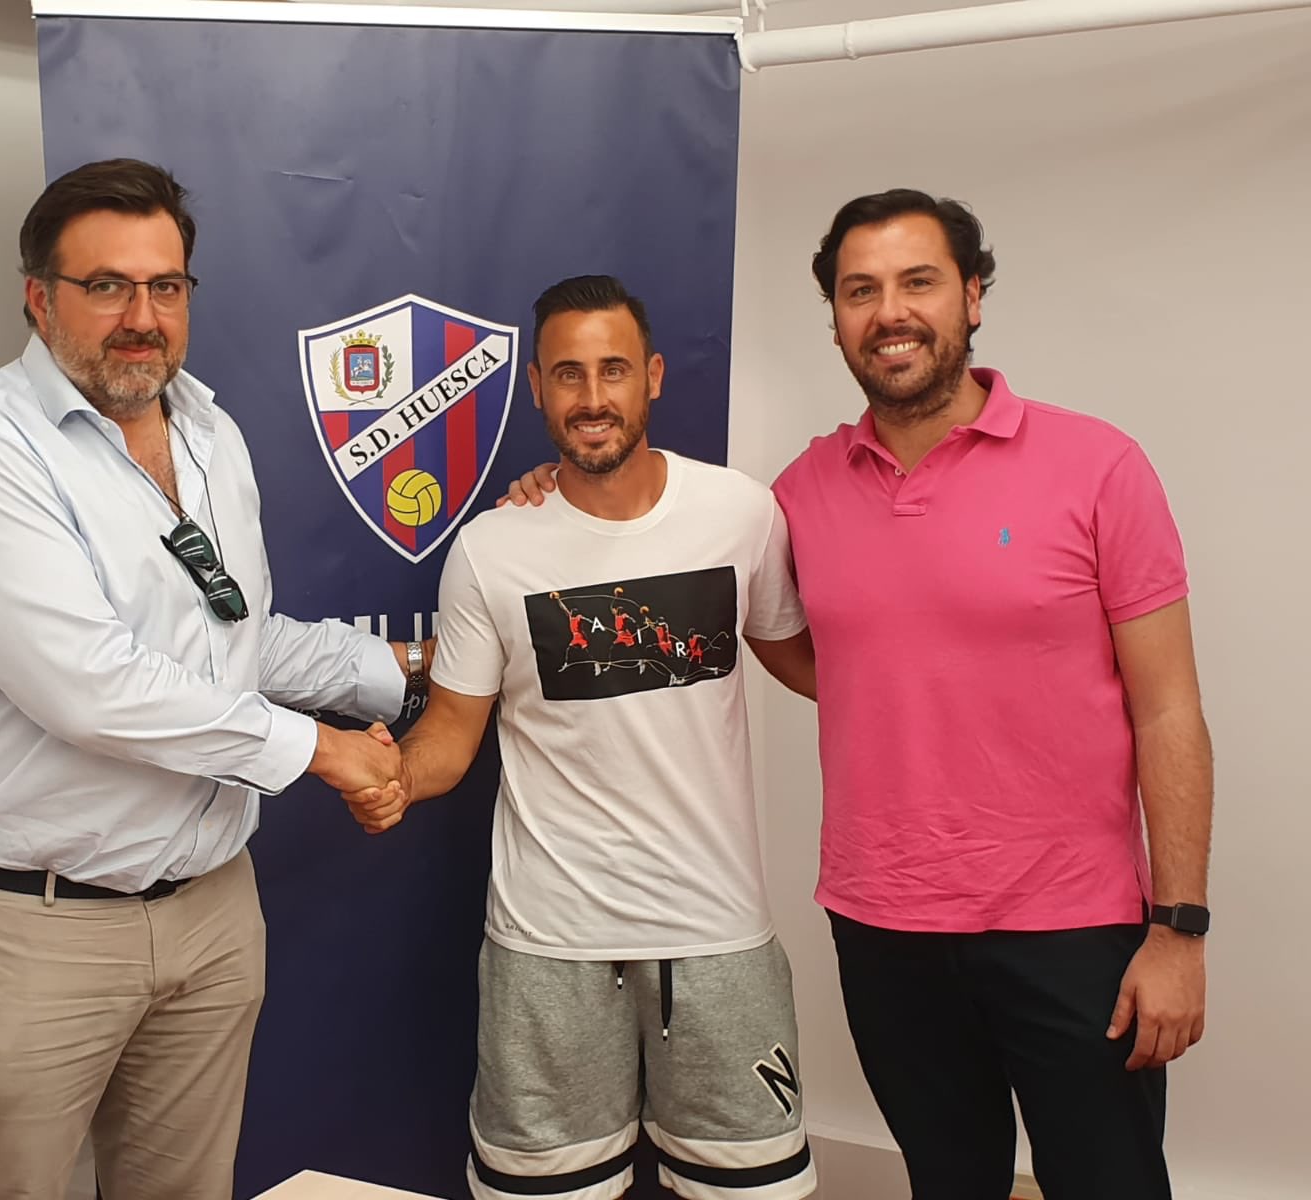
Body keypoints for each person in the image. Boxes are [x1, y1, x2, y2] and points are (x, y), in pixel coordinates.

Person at [503, 191, 1214, 1199]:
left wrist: (1178, 928)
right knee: (948, 1180)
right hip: (886, 926)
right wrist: (557, 489)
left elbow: (1169, 710)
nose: (890, 312)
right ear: (835, 316)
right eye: (859, 290)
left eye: (918, 282)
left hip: (1076, 929)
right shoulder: (796, 494)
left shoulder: (1096, 466)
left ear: (972, 298)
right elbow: (761, 619)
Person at [0, 158, 423, 1200]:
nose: (141, 317)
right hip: (31, 930)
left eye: (165, 287)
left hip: (211, 914)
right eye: (107, 286)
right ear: (40, 299)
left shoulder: (210, 434)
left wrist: (401, 674)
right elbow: (93, 684)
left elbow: (232, 637)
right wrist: (323, 751)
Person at [345, 275, 819, 1200]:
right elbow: (450, 734)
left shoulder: (741, 513)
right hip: (547, 944)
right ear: (535, 388)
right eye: (568, 374)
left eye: (612, 371)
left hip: (717, 935)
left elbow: (814, 668)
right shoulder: (492, 549)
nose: (592, 398)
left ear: (652, 378)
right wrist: (390, 778)